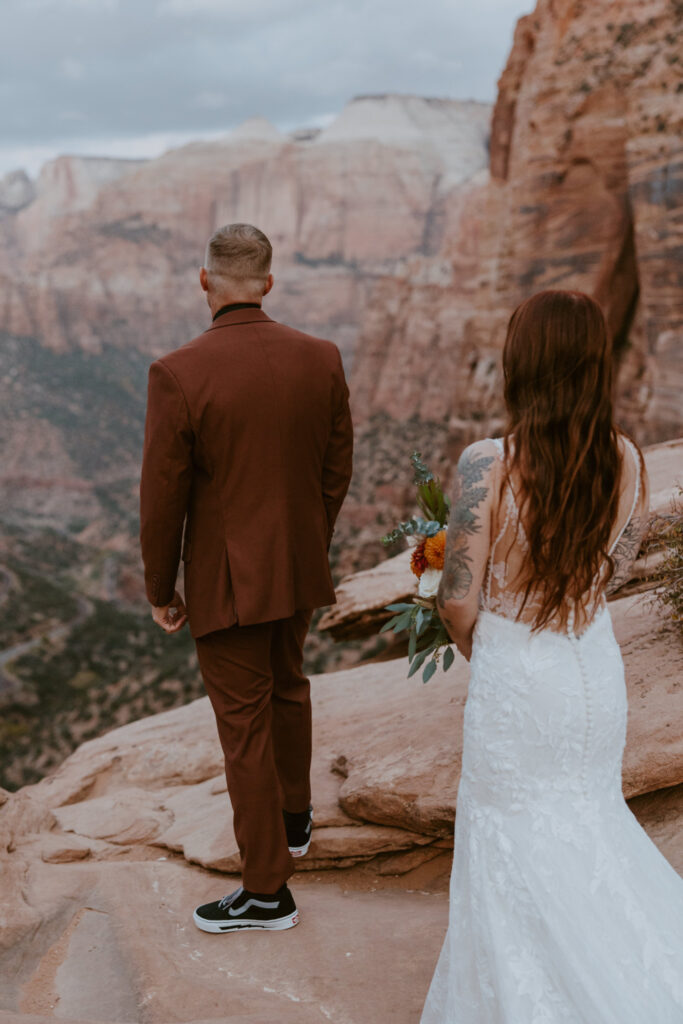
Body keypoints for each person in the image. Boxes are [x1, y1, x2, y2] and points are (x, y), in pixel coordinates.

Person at [421, 290, 683, 1022]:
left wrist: (493, 656)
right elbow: (615, 568)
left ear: (521, 364)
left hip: (520, 676)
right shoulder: (627, 458)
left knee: (513, 842)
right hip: (592, 671)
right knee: (590, 825)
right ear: (594, 365)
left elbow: (456, 600)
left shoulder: (488, 464)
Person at [139, 223, 353, 933]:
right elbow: (335, 467)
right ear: (268, 282)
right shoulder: (320, 358)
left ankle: (266, 891)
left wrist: (160, 588)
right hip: (297, 564)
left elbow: (161, 496)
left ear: (204, 281)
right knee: (288, 686)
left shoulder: (177, 372)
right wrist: (305, 545)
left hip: (227, 581)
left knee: (244, 728)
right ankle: (295, 822)